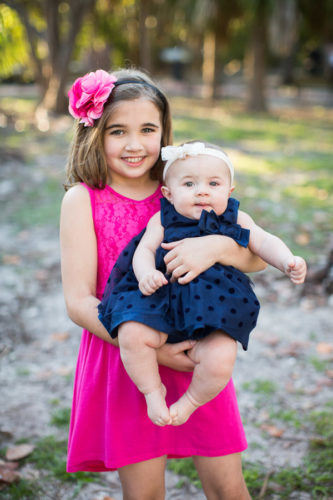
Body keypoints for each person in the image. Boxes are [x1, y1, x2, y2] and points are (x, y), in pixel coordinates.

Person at [60, 67, 267, 500]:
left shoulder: (185, 188)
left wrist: (214, 249)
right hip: (129, 356)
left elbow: (255, 257)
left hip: (199, 350)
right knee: (145, 493)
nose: (134, 145)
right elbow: (79, 301)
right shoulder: (83, 200)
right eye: (118, 131)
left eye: (147, 129)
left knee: (229, 486)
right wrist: (158, 354)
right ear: (94, 133)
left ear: (164, 133)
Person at [98, 141, 307, 428]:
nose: (202, 190)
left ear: (229, 190)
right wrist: (146, 273)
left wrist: (287, 260)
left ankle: (191, 401)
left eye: (213, 183)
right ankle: (152, 390)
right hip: (161, 302)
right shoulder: (162, 219)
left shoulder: (236, 218)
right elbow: (144, 250)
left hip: (214, 308)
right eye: (189, 184)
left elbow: (263, 241)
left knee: (221, 357)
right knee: (132, 334)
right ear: (168, 194)